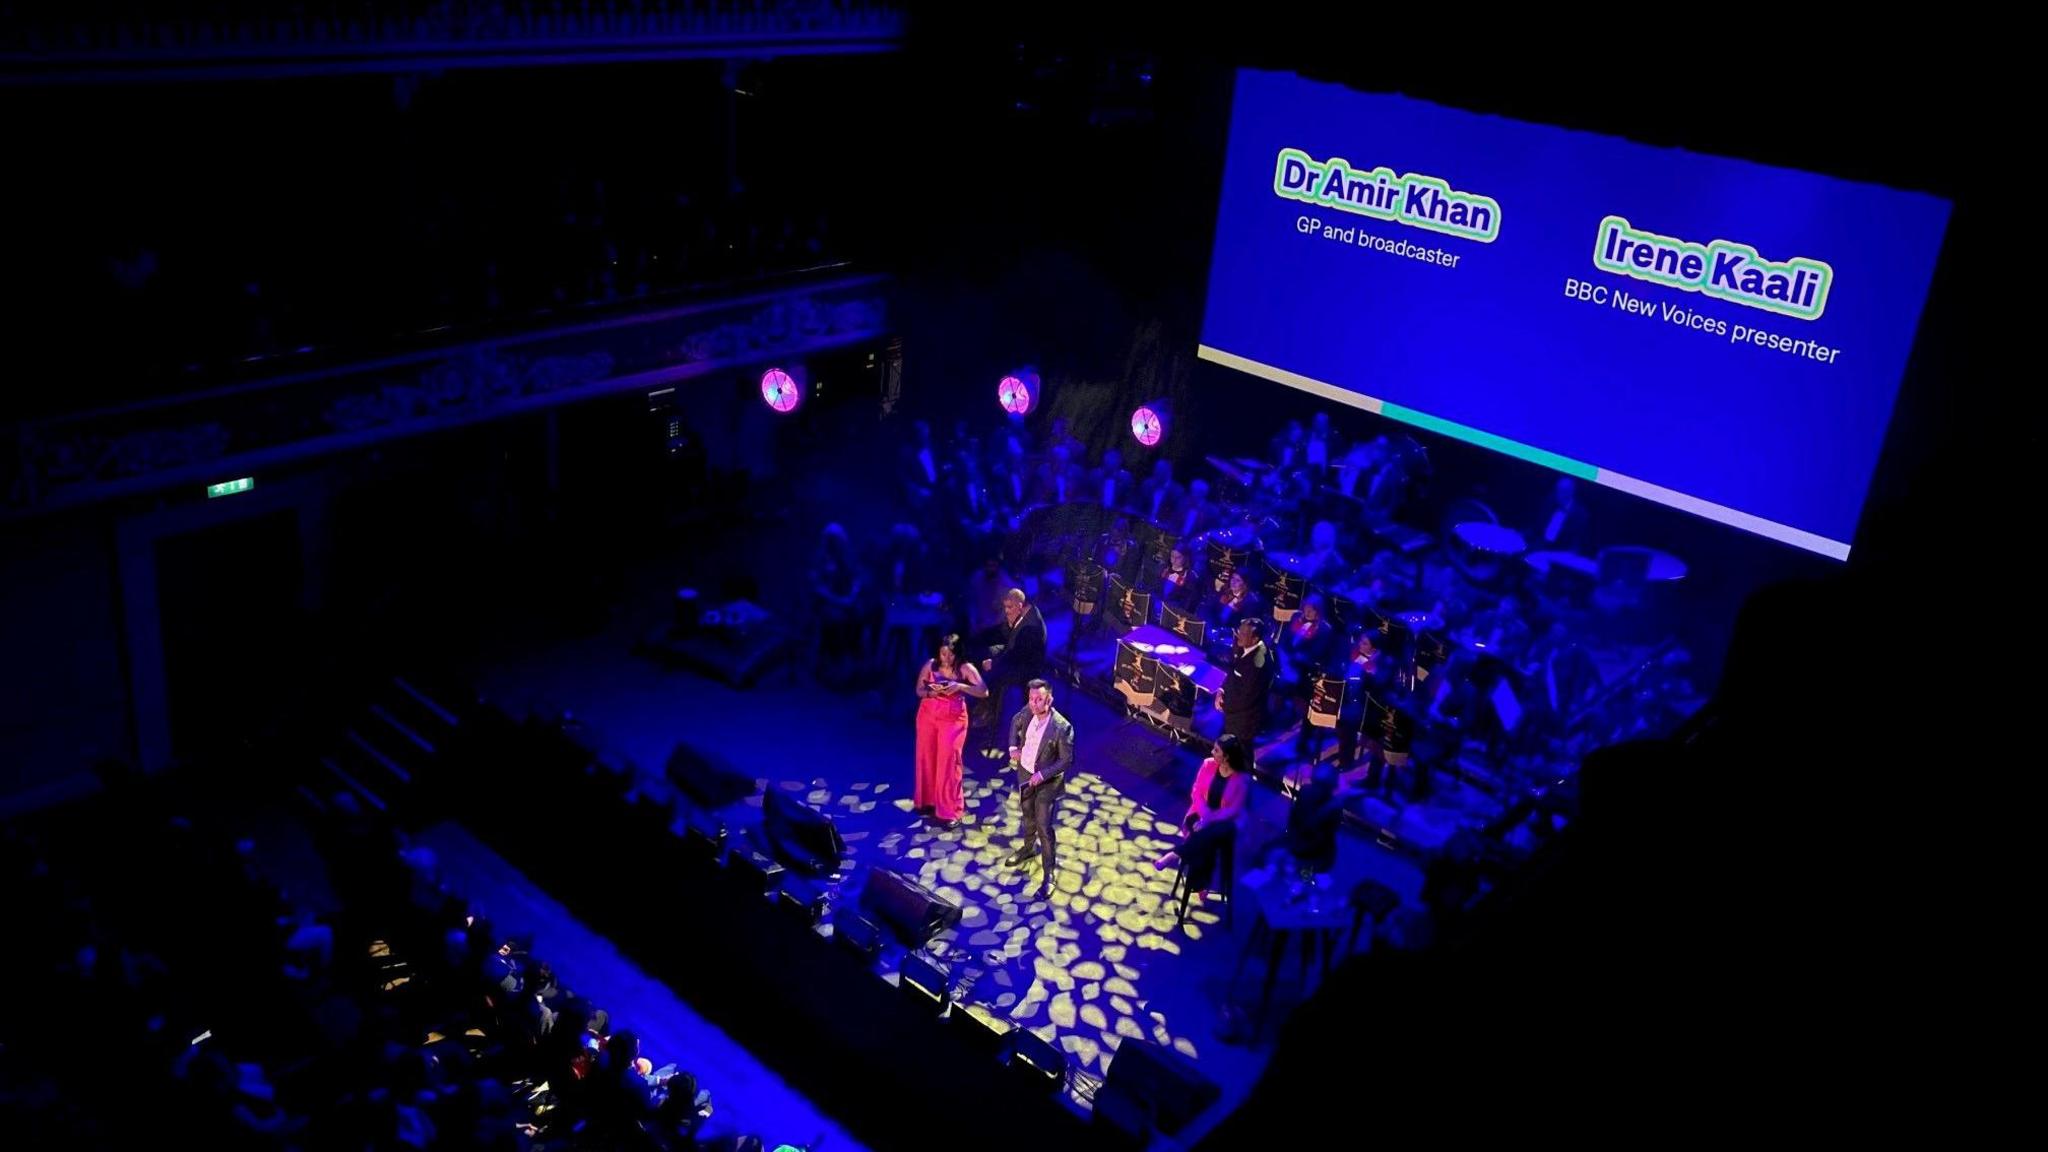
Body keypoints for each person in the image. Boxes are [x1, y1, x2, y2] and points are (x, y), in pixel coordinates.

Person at [1154, 734, 1252, 900]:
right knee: (1204, 840)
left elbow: (1234, 809)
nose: (1212, 752)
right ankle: (1201, 884)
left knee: (1207, 836)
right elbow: (1196, 791)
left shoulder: (1242, 778)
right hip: (1199, 812)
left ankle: (1176, 855)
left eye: (1216, 750)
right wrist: (1204, 814)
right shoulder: (1208, 764)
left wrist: (1209, 819)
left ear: (1227, 756)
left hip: (1223, 820)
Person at [1005, 680, 1075, 901]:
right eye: (1031, 698)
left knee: (1044, 828)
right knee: (1027, 816)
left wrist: (1043, 775)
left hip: (1046, 783)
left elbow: (1066, 760)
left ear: (1049, 699)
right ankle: (1027, 849)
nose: (1033, 704)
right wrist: (1013, 748)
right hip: (1025, 775)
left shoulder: (1061, 727)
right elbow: (1014, 722)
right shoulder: (1027, 712)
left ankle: (1049, 875)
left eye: (1038, 699)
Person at [914, 633, 986, 827]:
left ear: (957, 654)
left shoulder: (965, 668)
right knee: (927, 757)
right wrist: (931, 692)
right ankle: (928, 802)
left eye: (950, 654)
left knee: (949, 761)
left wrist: (960, 686)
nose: (946, 658)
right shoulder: (931, 665)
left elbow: (983, 691)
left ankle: (950, 811)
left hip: (953, 719)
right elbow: (919, 690)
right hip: (928, 715)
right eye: (943, 653)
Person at [978, 588, 1046, 729]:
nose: (1007, 611)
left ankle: (990, 715)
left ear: (1020, 605)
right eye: (1005, 607)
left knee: (995, 675)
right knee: (986, 651)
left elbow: (1016, 654)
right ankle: (982, 702)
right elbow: (1007, 633)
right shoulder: (1023, 613)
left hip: (1026, 668)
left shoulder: (1032, 627)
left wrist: (994, 663)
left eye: (1009, 607)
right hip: (1016, 654)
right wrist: (982, 636)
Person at [1217, 616, 1275, 743]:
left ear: (1255, 639)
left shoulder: (1257, 664)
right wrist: (1221, 690)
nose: (1238, 635)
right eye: (1239, 631)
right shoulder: (1242, 645)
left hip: (1244, 722)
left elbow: (1247, 697)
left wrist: (1224, 705)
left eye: (1243, 634)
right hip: (1232, 713)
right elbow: (1233, 671)